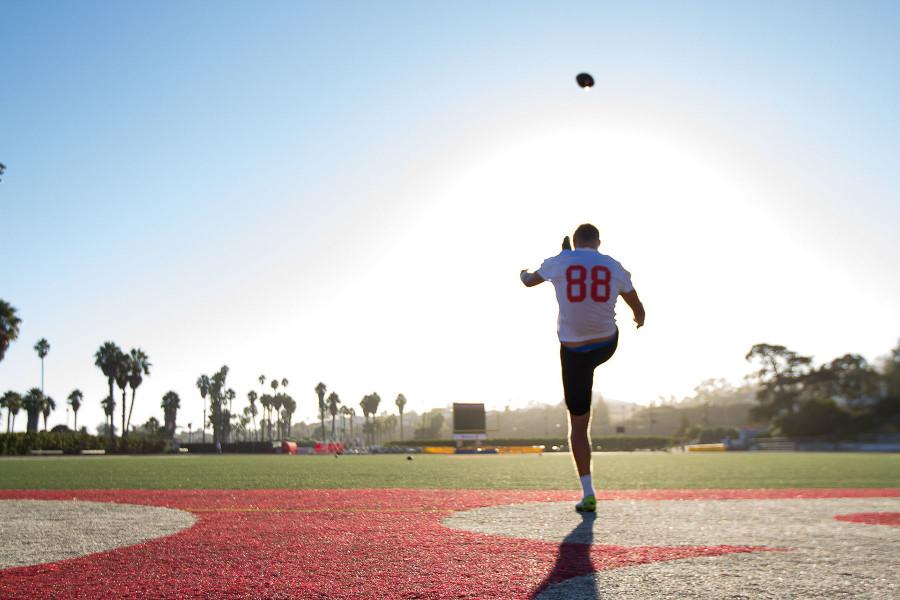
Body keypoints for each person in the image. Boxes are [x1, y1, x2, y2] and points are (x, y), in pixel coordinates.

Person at [520, 223, 645, 512]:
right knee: (596, 350)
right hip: (606, 344)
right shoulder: (612, 265)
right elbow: (636, 305)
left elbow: (528, 281)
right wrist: (639, 319)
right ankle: (587, 491)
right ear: (598, 242)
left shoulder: (559, 261)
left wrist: (524, 271)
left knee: (578, 426)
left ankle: (588, 493)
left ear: (575, 242)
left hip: (574, 352)